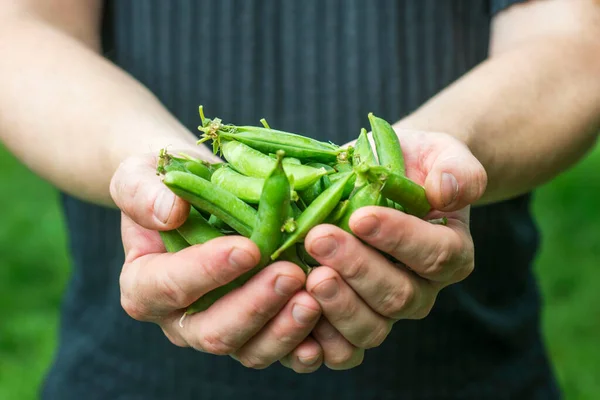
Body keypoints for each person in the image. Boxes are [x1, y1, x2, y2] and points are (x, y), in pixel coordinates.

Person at [1, 0, 598, 399]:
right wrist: (151, 160)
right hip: (127, 374)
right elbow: (23, 30)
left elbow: (575, 44)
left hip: (468, 368)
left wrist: (446, 149)